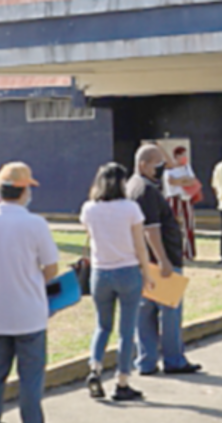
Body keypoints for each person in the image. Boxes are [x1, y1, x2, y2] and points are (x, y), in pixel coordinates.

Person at [0, 163, 66, 423]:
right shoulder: (35, 224)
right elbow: (51, 268)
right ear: (24, 190)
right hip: (28, 312)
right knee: (30, 380)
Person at [80, 163, 156, 401]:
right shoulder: (130, 208)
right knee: (126, 330)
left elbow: (90, 236)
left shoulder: (89, 208)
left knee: (102, 326)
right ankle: (122, 382)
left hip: (100, 272)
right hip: (127, 270)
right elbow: (140, 244)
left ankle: (95, 369)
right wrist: (147, 272)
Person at [127, 145, 203, 376]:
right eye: (157, 164)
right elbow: (151, 229)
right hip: (159, 260)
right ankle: (174, 360)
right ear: (143, 164)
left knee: (145, 314)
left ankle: (146, 361)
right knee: (169, 313)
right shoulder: (147, 190)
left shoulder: (132, 187)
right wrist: (163, 260)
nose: (162, 168)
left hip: (142, 261)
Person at [164, 147, 199, 260]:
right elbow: (171, 181)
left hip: (185, 198)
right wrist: (184, 180)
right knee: (172, 226)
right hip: (174, 198)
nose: (184, 157)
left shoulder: (187, 167)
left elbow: (192, 181)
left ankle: (189, 252)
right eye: (182, 155)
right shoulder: (169, 168)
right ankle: (172, 251)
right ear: (176, 157)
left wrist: (181, 180)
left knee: (189, 225)